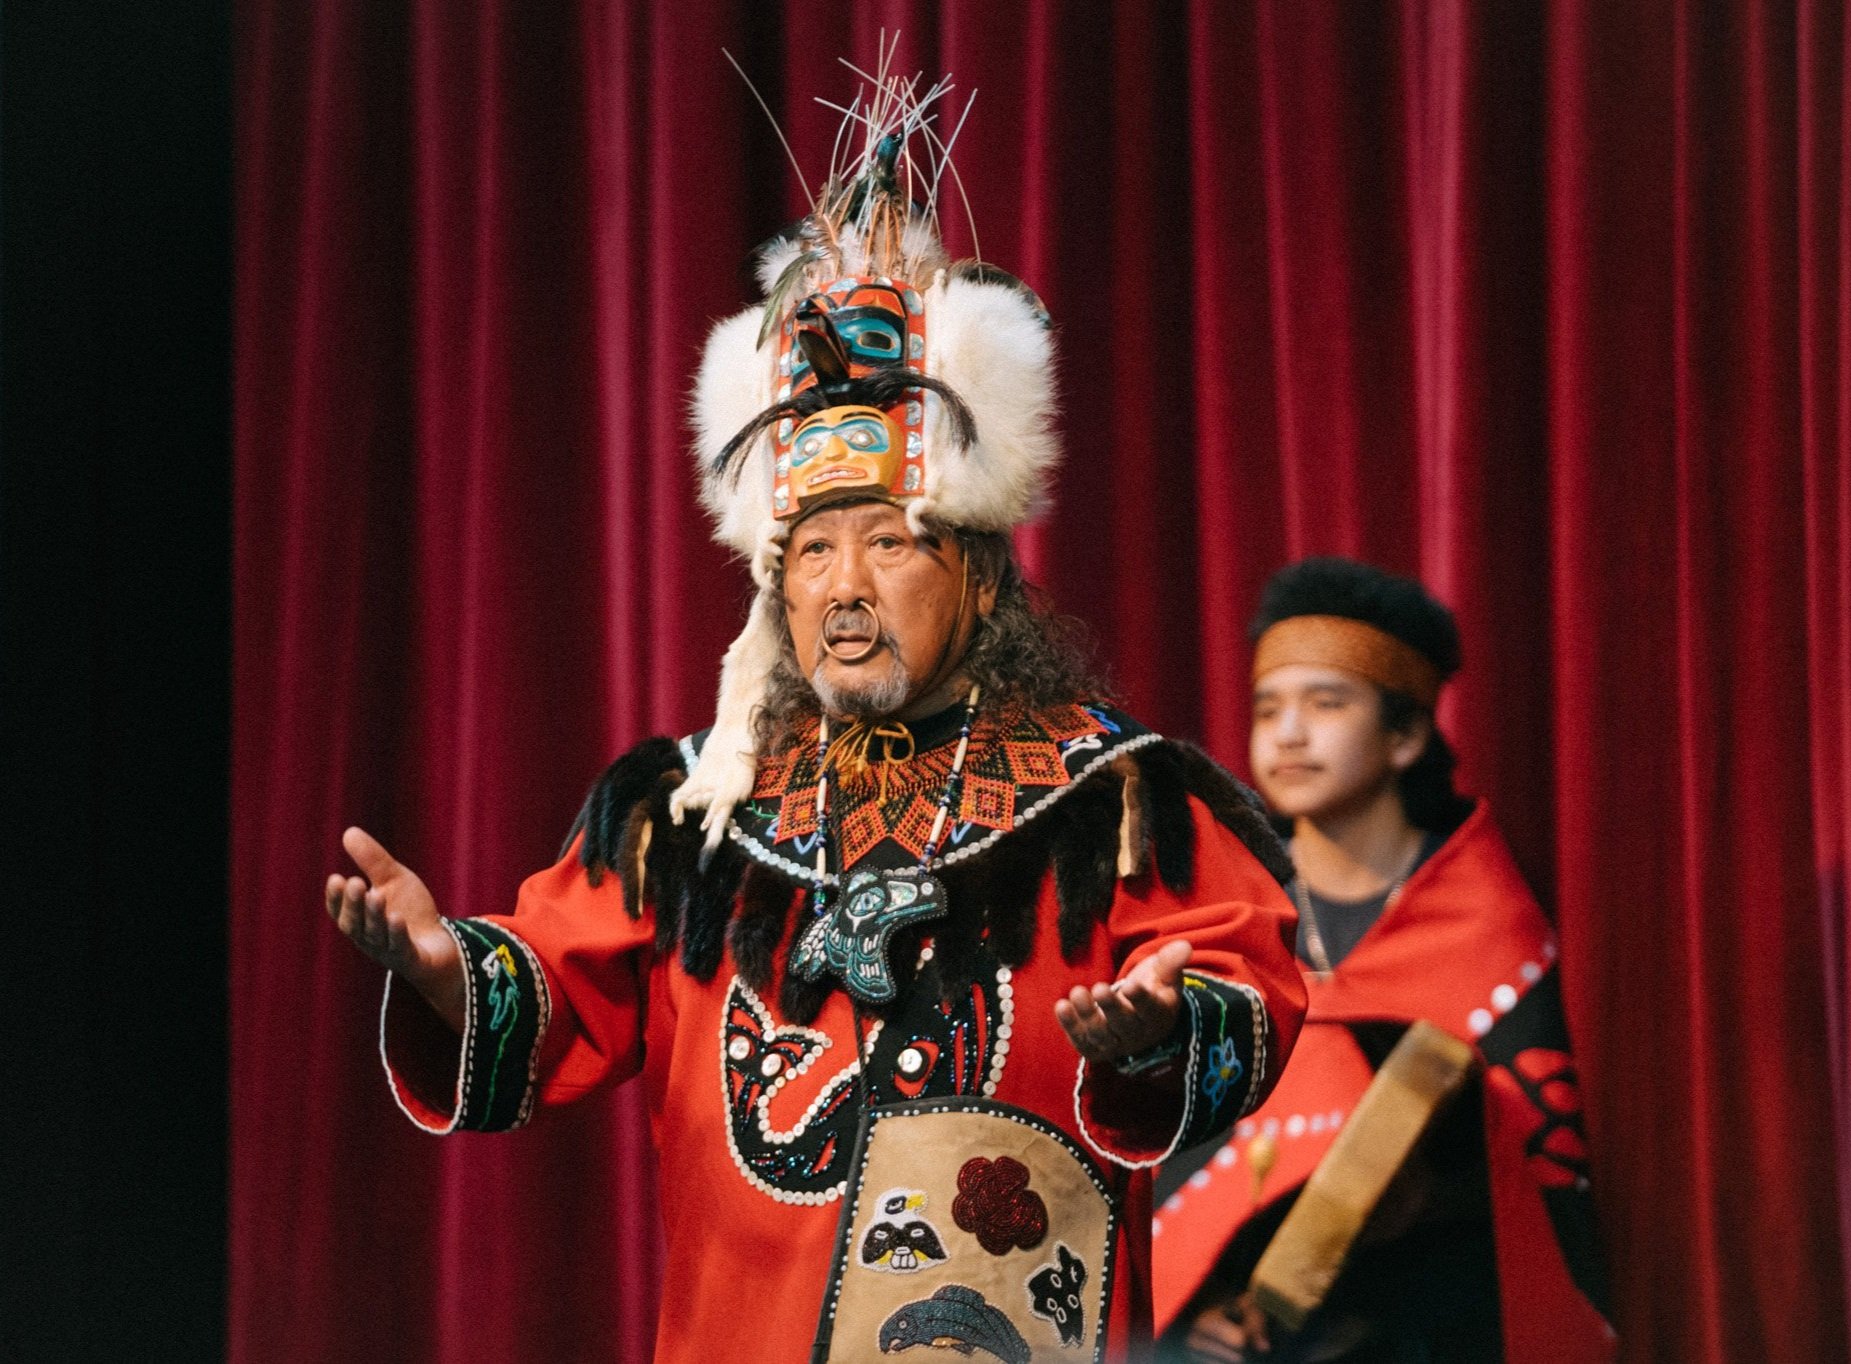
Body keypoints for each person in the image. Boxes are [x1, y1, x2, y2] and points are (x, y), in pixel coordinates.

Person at [324, 77, 1306, 1364]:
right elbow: (555, 980)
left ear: (975, 566)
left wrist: (1169, 1030)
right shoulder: (691, 813)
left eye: (886, 541)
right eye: (810, 550)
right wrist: (450, 970)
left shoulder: (1114, 798)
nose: (840, 587)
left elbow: (1253, 981)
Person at [1152, 558, 1614, 1363]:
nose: (1288, 733)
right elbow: (1185, 1145)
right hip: (1236, 1311)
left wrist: (1425, 1194)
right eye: (1268, 709)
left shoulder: (1483, 913)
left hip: (1430, 1313)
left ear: (1405, 735)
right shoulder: (1231, 902)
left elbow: (1539, 1168)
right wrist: (1211, 1296)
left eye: (1325, 704)